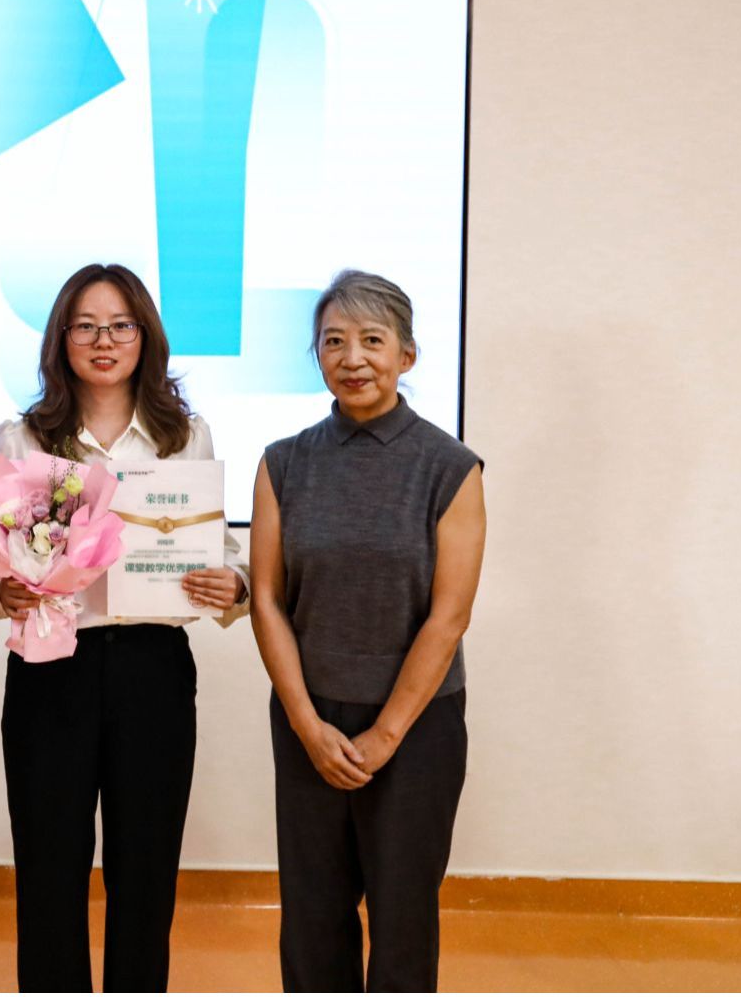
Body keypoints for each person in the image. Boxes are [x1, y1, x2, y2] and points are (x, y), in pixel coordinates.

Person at [0, 263, 249, 992]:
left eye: (120, 326)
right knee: (49, 870)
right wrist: (3, 590)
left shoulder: (184, 437)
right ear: (60, 338)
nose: (104, 341)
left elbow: (218, 550)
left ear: (145, 336)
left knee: (145, 872)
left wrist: (233, 584)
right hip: (51, 667)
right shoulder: (22, 439)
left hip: (152, 667)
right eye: (86, 327)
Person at [250, 270, 486, 992]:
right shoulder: (283, 462)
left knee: (402, 918)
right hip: (309, 718)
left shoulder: (450, 468)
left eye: (372, 341)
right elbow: (266, 598)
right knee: (313, 918)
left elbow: (449, 616)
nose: (353, 358)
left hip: (417, 726)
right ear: (317, 356)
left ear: (406, 355)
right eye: (334, 341)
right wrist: (306, 723)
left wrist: (385, 735)